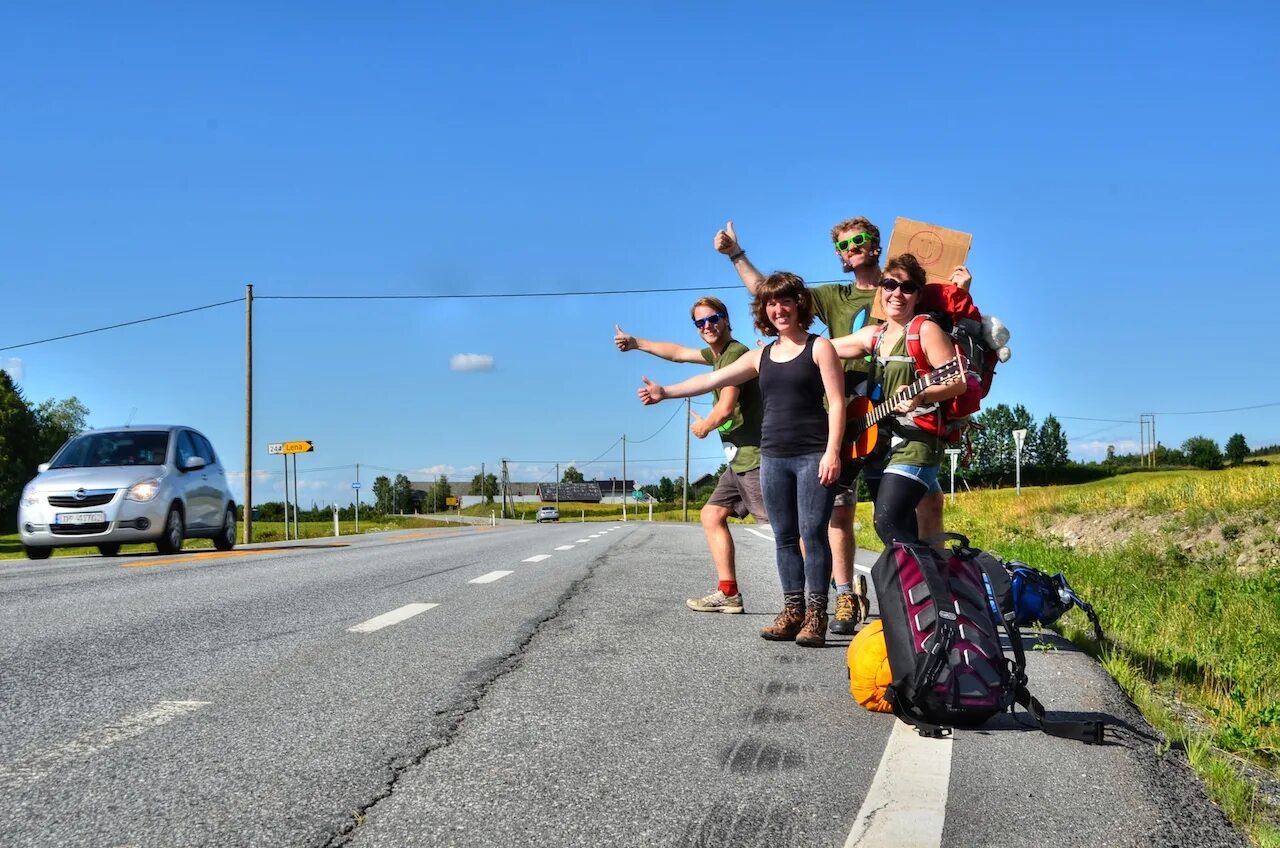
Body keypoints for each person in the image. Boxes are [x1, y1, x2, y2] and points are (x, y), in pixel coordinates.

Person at [715, 219, 973, 630]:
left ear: (876, 247)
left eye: (859, 241)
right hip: (850, 420)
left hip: (903, 420)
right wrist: (736, 256)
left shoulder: (907, 296)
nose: (896, 292)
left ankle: (939, 599)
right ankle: (847, 595)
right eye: (843, 244)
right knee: (838, 513)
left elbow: (949, 351)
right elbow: (774, 298)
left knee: (924, 505)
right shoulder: (832, 297)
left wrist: (960, 292)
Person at [637, 272, 846, 647]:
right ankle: (792, 610)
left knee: (812, 535)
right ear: (764, 310)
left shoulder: (820, 348)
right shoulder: (760, 355)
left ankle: (817, 615)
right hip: (773, 457)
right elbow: (711, 383)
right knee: (783, 538)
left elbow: (837, 402)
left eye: (785, 301)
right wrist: (665, 391)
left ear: (799, 305)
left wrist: (832, 452)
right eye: (771, 303)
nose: (779, 309)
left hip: (813, 454)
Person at [614, 297, 767, 614]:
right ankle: (728, 593)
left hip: (756, 457)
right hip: (738, 458)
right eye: (700, 323)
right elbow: (678, 353)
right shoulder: (718, 355)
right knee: (711, 515)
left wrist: (707, 425)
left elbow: (726, 405)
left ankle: (838, 585)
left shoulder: (735, 354)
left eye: (713, 319)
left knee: (784, 529)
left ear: (726, 319)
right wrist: (636, 343)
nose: (707, 326)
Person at [831, 254, 966, 545]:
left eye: (906, 288)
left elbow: (958, 382)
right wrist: (781, 349)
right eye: (889, 284)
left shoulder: (925, 330)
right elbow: (822, 350)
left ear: (918, 295)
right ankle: (933, 584)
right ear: (880, 289)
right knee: (907, 527)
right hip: (876, 445)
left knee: (888, 522)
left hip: (916, 441)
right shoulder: (874, 335)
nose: (896, 293)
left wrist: (921, 394)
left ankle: (925, 586)